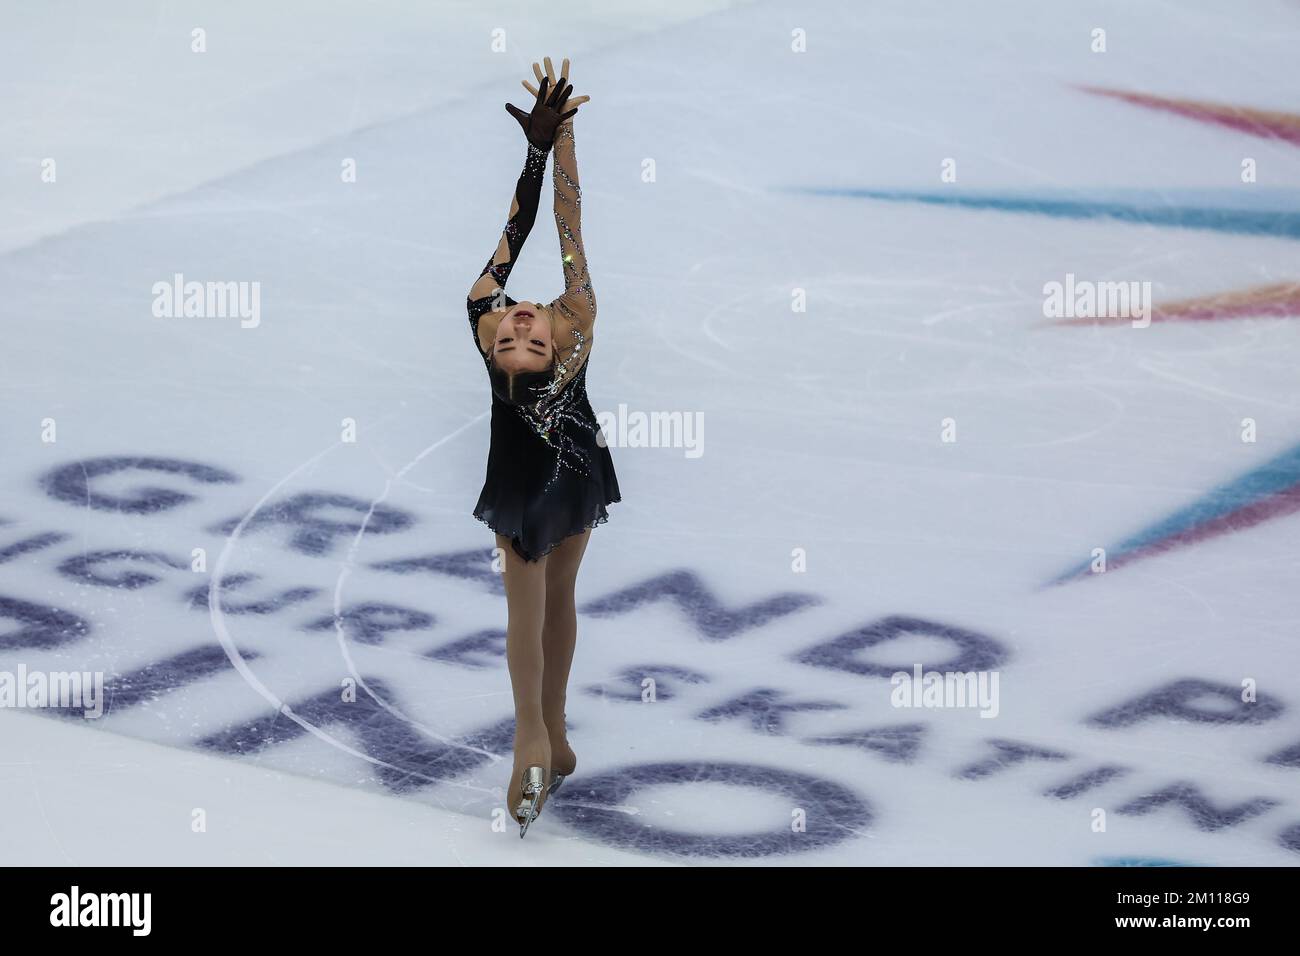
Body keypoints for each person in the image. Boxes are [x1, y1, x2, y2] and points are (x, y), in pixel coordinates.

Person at [465, 57, 620, 837]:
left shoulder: (481, 311)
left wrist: (539, 145)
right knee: (537, 604)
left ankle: (544, 732)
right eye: (521, 337)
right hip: (543, 482)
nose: (519, 325)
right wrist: (564, 145)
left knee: (549, 603)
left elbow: (518, 228)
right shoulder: (576, 321)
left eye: (518, 335)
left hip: (568, 470)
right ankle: (543, 736)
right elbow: (566, 226)